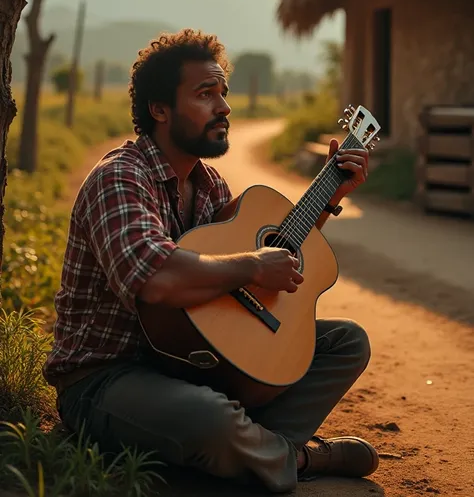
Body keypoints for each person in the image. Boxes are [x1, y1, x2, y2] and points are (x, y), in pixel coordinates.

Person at [43, 28, 378, 493]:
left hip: (195, 360)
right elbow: (158, 280)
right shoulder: (119, 179)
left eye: (223, 92)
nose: (224, 107)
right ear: (159, 109)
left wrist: (326, 199)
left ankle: (244, 453)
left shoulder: (211, 186)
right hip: (107, 378)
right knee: (209, 418)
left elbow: (266, 255)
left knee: (346, 341)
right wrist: (254, 266)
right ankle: (295, 457)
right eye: (205, 94)